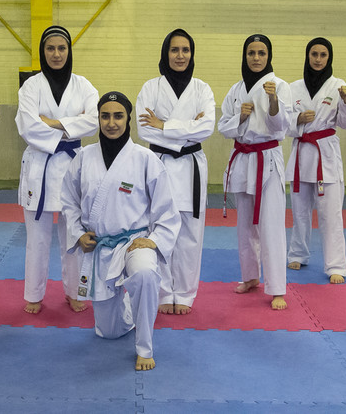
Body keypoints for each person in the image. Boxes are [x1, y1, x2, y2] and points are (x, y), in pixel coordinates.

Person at [61, 91, 180, 371]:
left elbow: (166, 208)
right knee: (109, 331)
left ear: (128, 119)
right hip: (100, 245)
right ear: (98, 119)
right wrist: (78, 233)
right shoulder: (83, 158)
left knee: (145, 274)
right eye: (105, 116)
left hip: (134, 242)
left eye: (118, 116)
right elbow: (68, 201)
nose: (111, 123)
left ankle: (145, 348)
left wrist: (153, 240)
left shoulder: (145, 159)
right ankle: (128, 305)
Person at [16, 25, 99, 314]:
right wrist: (72, 123)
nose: (56, 54)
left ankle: (75, 292)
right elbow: (27, 126)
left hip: (73, 166)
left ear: (69, 51)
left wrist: (52, 123)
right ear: (43, 52)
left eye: (61, 48)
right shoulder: (31, 86)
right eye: (50, 48)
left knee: (74, 235)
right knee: (37, 239)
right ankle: (34, 294)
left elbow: (94, 121)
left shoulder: (84, 85)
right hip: (40, 165)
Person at [137, 28, 215, 315]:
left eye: (185, 50)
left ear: (192, 54)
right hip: (159, 164)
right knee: (158, 229)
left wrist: (165, 125)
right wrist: (187, 127)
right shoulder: (150, 88)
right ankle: (162, 292)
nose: (180, 55)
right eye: (174, 50)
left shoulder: (202, 89)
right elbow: (144, 129)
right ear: (165, 53)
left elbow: (206, 128)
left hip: (191, 168)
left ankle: (184, 293)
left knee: (190, 235)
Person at [218, 34, 292, 310]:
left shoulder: (280, 86)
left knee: (271, 224)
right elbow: (223, 127)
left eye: (262, 53)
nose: (257, 58)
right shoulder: (236, 89)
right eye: (252, 53)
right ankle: (250, 276)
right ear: (245, 56)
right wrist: (240, 117)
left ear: (269, 56)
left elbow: (281, 126)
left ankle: (277, 288)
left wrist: (273, 101)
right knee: (245, 224)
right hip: (243, 158)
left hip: (267, 159)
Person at [285, 37, 346, 284]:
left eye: (323, 55)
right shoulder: (293, 88)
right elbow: (281, 124)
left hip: (325, 157)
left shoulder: (338, 86)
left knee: (331, 214)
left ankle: (336, 265)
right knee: (299, 212)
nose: (318, 59)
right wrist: (297, 120)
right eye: (314, 54)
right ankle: (298, 253)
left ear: (329, 58)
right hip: (301, 154)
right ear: (307, 56)